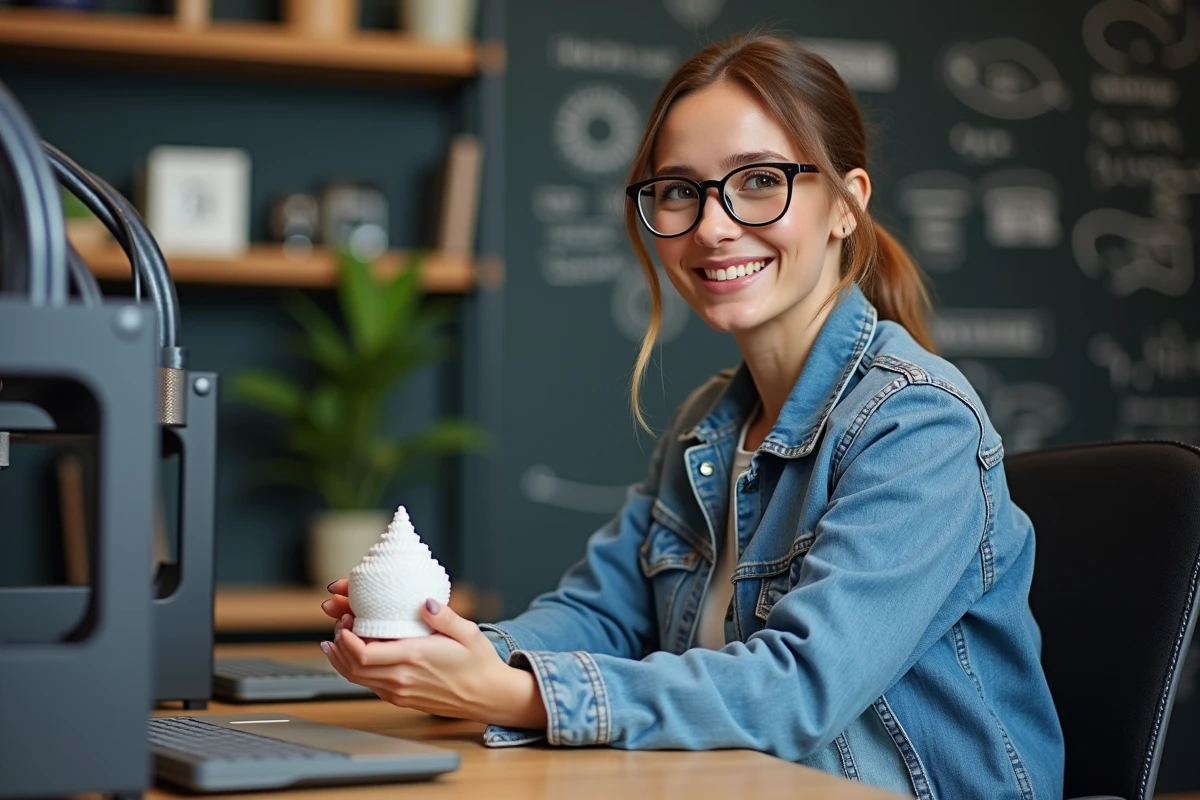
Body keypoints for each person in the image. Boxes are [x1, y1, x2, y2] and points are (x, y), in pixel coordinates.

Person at [318, 32, 1065, 800]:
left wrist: (520, 694)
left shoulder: (919, 425)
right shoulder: (706, 426)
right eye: (679, 190)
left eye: (760, 180)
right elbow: (600, 615)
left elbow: (797, 690)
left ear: (847, 206)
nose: (712, 226)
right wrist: (448, 646)